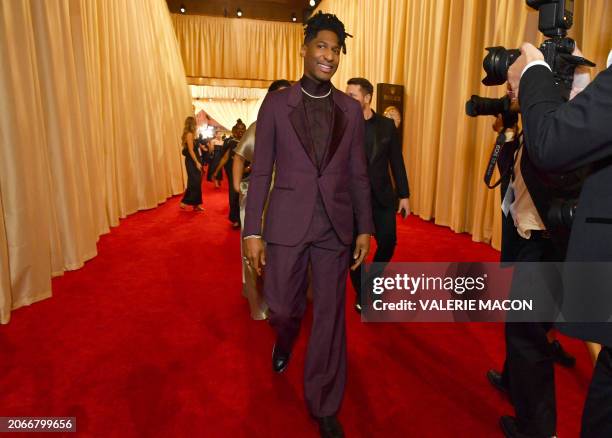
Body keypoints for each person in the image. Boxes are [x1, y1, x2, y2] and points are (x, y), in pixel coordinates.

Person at [243, 12, 373, 438]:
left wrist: (364, 227)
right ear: (304, 49)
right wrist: (252, 231)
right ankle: (285, 335)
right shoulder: (278, 104)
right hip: (285, 224)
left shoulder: (350, 110)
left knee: (332, 318)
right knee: (281, 306)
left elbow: (358, 174)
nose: (329, 56)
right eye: (321, 46)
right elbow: (260, 172)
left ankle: (324, 404)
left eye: (335, 50)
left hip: (333, 229)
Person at [508, 43, 612, 438]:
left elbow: (556, 149)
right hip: (528, 232)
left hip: (550, 239)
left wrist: (536, 70)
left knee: (527, 333)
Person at [345, 77, 410, 313]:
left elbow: (396, 161)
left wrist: (404, 194)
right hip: (352, 199)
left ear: (367, 98)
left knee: (388, 242)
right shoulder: (343, 124)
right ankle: (363, 293)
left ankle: (373, 280)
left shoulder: (386, 125)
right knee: (353, 250)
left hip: (382, 196)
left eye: (352, 95)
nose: (348, 99)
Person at [233, 80, 292, 320]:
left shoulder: (297, 125)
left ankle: (284, 294)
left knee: (283, 250)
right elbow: (239, 155)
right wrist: (238, 187)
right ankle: (256, 299)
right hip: (257, 197)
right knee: (254, 249)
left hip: (287, 197)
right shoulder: (258, 126)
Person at [215, 120, 246, 228]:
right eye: (239, 129)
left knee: (245, 197)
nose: (241, 131)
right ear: (235, 131)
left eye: (243, 129)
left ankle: (246, 219)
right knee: (234, 196)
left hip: (247, 173)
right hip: (234, 173)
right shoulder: (232, 143)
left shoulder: (249, 141)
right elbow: (225, 158)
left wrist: (249, 168)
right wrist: (217, 170)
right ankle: (236, 219)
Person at [179, 116, 203, 211]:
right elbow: (191, 150)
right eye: (195, 123)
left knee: (195, 182)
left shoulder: (192, 134)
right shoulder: (189, 134)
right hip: (191, 162)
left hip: (193, 160)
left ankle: (195, 204)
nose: (196, 124)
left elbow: (195, 148)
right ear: (192, 124)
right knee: (194, 182)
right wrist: (196, 162)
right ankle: (187, 202)